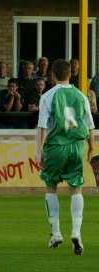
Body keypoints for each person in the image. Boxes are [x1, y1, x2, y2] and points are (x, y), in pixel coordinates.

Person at [36, 59, 95, 256]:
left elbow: (42, 126)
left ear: (52, 75)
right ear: (71, 75)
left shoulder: (47, 96)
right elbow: (89, 125)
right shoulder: (81, 95)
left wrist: (38, 152)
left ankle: (55, 233)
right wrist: (91, 147)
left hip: (55, 146)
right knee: (76, 189)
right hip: (77, 146)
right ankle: (76, 233)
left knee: (51, 187)